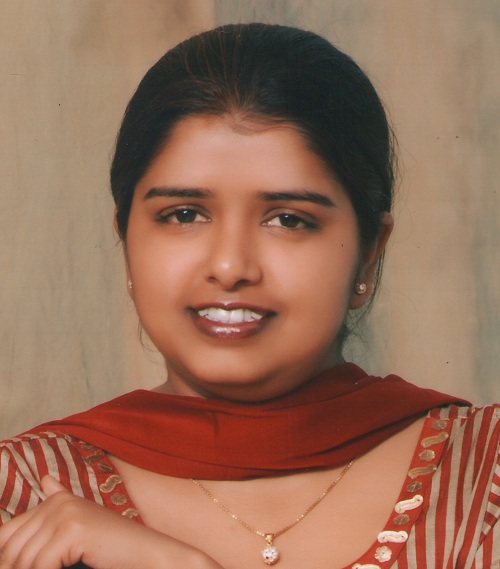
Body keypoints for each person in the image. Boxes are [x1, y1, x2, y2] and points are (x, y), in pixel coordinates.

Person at [0, 23, 498, 569]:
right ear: (127, 238)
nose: (230, 267)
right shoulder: (23, 496)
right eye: (183, 215)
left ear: (369, 252)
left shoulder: (484, 473)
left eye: (288, 219)